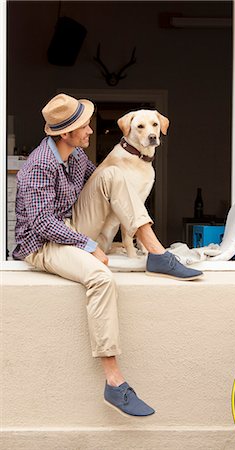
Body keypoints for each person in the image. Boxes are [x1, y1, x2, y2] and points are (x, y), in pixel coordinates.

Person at [13, 93, 203, 417]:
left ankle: (156, 252)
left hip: (72, 226)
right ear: (64, 134)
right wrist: (89, 246)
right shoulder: (38, 166)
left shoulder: (74, 156)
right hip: (43, 244)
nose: (90, 131)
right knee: (101, 278)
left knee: (114, 172)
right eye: (84, 127)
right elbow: (42, 224)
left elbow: (102, 183)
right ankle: (114, 383)